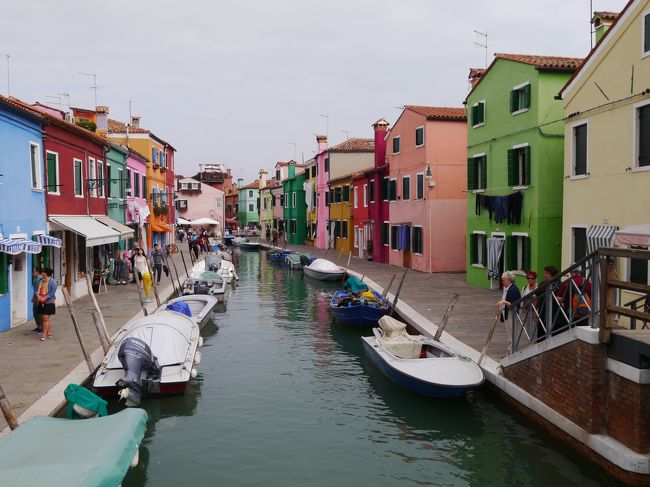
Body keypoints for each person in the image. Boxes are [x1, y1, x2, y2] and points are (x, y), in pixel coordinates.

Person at [496, 271, 521, 354]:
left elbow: (513, 304)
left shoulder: (513, 289)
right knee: (509, 333)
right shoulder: (507, 288)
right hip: (507, 313)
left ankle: (511, 352)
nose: (502, 281)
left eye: (504, 280)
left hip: (511, 314)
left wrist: (503, 302)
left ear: (509, 280)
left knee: (511, 333)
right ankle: (509, 351)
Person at [37, 268, 57, 341]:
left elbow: (52, 293)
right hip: (41, 301)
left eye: (42, 272)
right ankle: (49, 332)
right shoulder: (41, 281)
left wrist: (45, 298)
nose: (41, 273)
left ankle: (44, 334)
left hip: (49, 302)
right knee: (45, 318)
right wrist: (38, 296)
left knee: (45, 318)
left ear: (46, 273)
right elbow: (38, 290)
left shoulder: (52, 282)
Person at [32, 267, 43, 333]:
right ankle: (39, 326)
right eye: (33, 272)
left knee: (38, 312)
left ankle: (41, 327)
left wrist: (38, 298)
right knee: (35, 312)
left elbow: (39, 290)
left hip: (39, 297)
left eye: (34, 272)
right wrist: (33, 297)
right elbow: (35, 290)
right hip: (36, 296)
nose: (33, 273)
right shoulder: (35, 279)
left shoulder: (40, 279)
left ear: (38, 272)